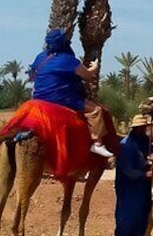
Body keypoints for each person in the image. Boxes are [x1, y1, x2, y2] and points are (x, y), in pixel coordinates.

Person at [29, 28, 112, 158]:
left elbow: (32, 74)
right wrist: (95, 66)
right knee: (95, 110)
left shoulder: (40, 57)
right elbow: (88, 75)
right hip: (62, 98)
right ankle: (97, 144)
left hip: (38, 98)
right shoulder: (69, 60)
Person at [113, 114, 153, 236]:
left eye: (145, 127)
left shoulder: (146, 141)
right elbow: (126, 169)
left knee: (142, 212)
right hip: (128, 186)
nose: (144, 129)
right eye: (141, 127)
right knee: (126, 215)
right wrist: (143, 175)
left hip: (142, 186)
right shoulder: (126, 145)